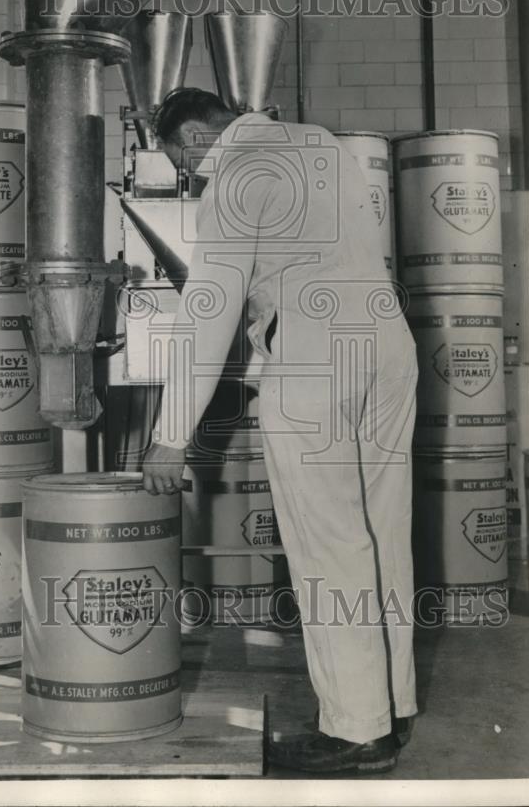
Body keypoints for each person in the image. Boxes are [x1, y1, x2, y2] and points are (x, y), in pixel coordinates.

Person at [141, 87, 419, 774]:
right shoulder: (322, 143)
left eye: (185, 164)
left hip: (316, 353)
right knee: (385, 528)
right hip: (387, 339)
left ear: (196, 138)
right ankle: (395, 700)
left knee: (330, 544)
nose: (192, 176)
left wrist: (170, 435)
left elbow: (210, 313)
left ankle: (358, 729)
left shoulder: (235, 175)